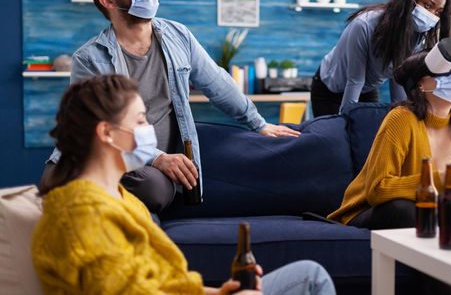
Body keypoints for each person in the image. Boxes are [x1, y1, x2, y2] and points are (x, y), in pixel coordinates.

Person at [32, 74, 336, 295]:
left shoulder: (120, 197)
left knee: (309, 274)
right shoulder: (82, 213)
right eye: (140, 121)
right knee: (311, 280)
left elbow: (154, 283)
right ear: (107, 133)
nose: (150, 130)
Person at [41, 0, 300, 213]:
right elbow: (90, 126)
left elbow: (218, 83)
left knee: (155, 189)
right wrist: (158, 158)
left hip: (142, 172)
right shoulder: (89, 58)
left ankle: (96, 200)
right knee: (106, 179)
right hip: (104, 156)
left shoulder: (179, 36)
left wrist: (259, 124)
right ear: (108, 1)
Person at [328, 37, 451, 229]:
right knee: (408, 209)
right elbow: (377, 190)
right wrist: (444, 178)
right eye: (447, 74)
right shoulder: (402, 119)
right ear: (420, 84)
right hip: (374, 210)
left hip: (435, 208)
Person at [311, 0, 451, 117]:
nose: (432, 15)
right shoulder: (364, 25)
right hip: (329, 90)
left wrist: (403, 116)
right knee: (338, 135)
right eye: (428, 5)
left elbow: (398, 78)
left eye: (438, 12)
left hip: (366, 90)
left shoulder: (417, 36)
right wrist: (346, 120)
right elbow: (354, 80)